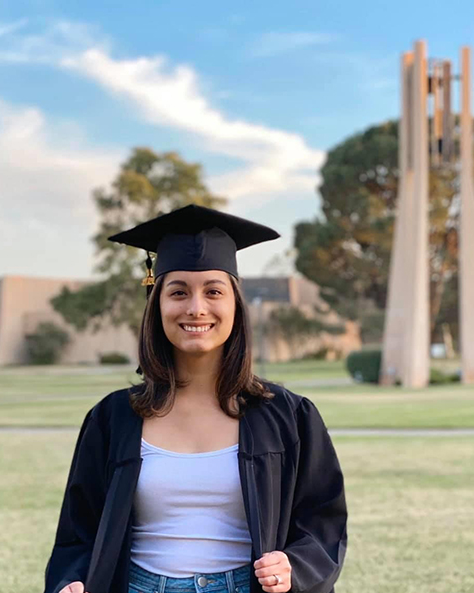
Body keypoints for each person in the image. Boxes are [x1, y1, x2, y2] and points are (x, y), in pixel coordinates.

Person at [43, 205, 347, 593]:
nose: (196, 307)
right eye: (179, 292)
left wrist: (294, 567)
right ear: (158, 304)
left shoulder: (288, 416)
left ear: (235, 303)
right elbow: (77, 533)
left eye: (213, 291)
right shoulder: (113, 418)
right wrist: (71, 582)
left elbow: (323, 521)